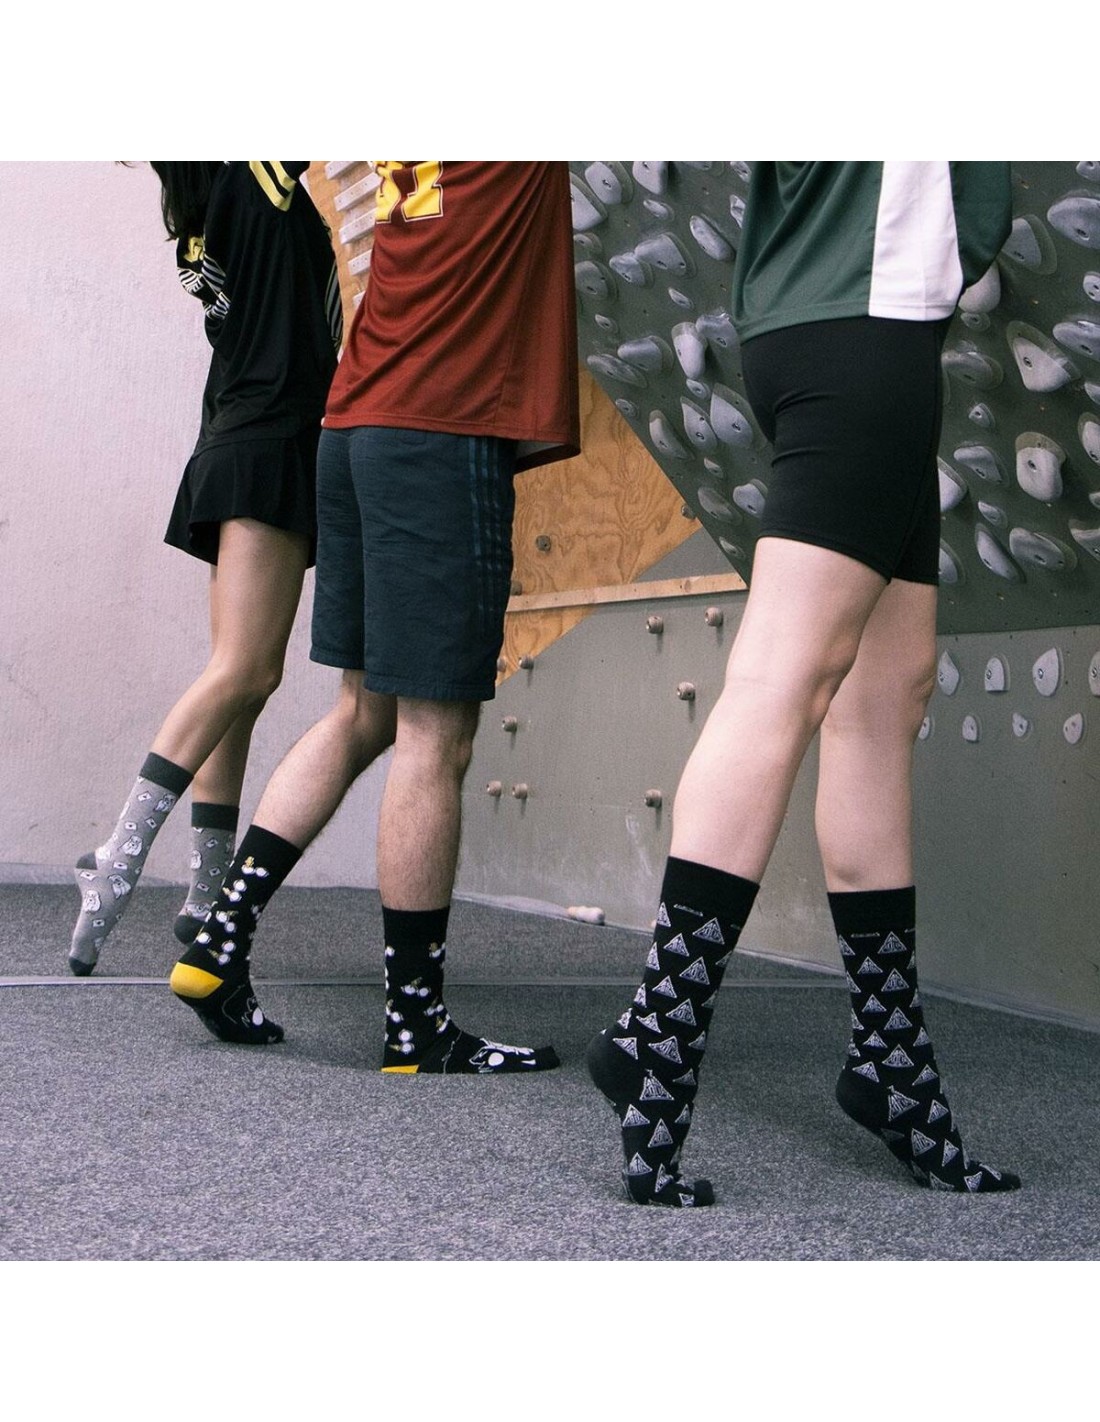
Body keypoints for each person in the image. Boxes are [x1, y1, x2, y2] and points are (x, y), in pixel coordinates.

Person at [588, 161, 1023, 1204]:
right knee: (781, 679)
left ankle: (889, 1059)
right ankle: (656, 1033)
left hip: (831, 316)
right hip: (863, 320)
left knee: (884, 693)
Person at [167, 162, 580, 1070]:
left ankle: (219, 943)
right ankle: (415, 1025)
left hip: (354, 424)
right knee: (437, 736)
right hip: (442, 427)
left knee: (363, 711)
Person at [69, 161, 341, 976]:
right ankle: (117, 859)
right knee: (243, 673)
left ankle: (206, 888)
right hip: (269, 441)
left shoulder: (205, 207)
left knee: (242, 680)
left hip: (235, 438)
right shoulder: (259, 175)